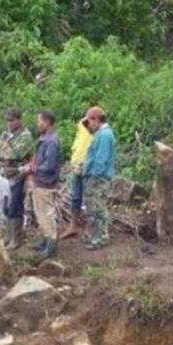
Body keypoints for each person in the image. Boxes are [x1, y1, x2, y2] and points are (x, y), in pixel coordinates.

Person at [0, 108, 35, 247]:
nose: (9, 123)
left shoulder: (25, 136)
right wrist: (4, 150)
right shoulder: (6, 134)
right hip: (4, 173)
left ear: (19, 120)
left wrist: (4, 150)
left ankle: (16, 238)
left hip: (18, 174)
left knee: (15, 205)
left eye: (11, 120)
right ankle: (8, 235)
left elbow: (15, 154)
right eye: (7, 120)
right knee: (5, 205)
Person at [28, 110, 63, 259]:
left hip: (45, 183)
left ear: (47, 122)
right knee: (40, 213)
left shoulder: (51, 142)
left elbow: (49, 165)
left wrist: (33, 168)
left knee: (47, 214)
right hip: (40, 182)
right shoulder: (45, 139)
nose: (38, 124)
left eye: (39, 121)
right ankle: (44, 241)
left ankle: (51, 246)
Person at [81, 106, 116, 249]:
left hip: (99, 178)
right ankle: (96, 236)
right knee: (93, 209)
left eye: (88, 122)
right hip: (96, 177)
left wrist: (93, 175)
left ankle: (101, 238)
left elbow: (101, 159)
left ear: (96, 120)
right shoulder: (101, 134)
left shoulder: (105, 135)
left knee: (98, 209)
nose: (88, 126)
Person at [62, 112, 93, 240]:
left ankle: (90, 229)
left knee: (90, 199)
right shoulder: (81, 125)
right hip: (77, 168)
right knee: (75, 197)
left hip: (89, 169)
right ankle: (73, 225)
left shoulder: (97, 131)